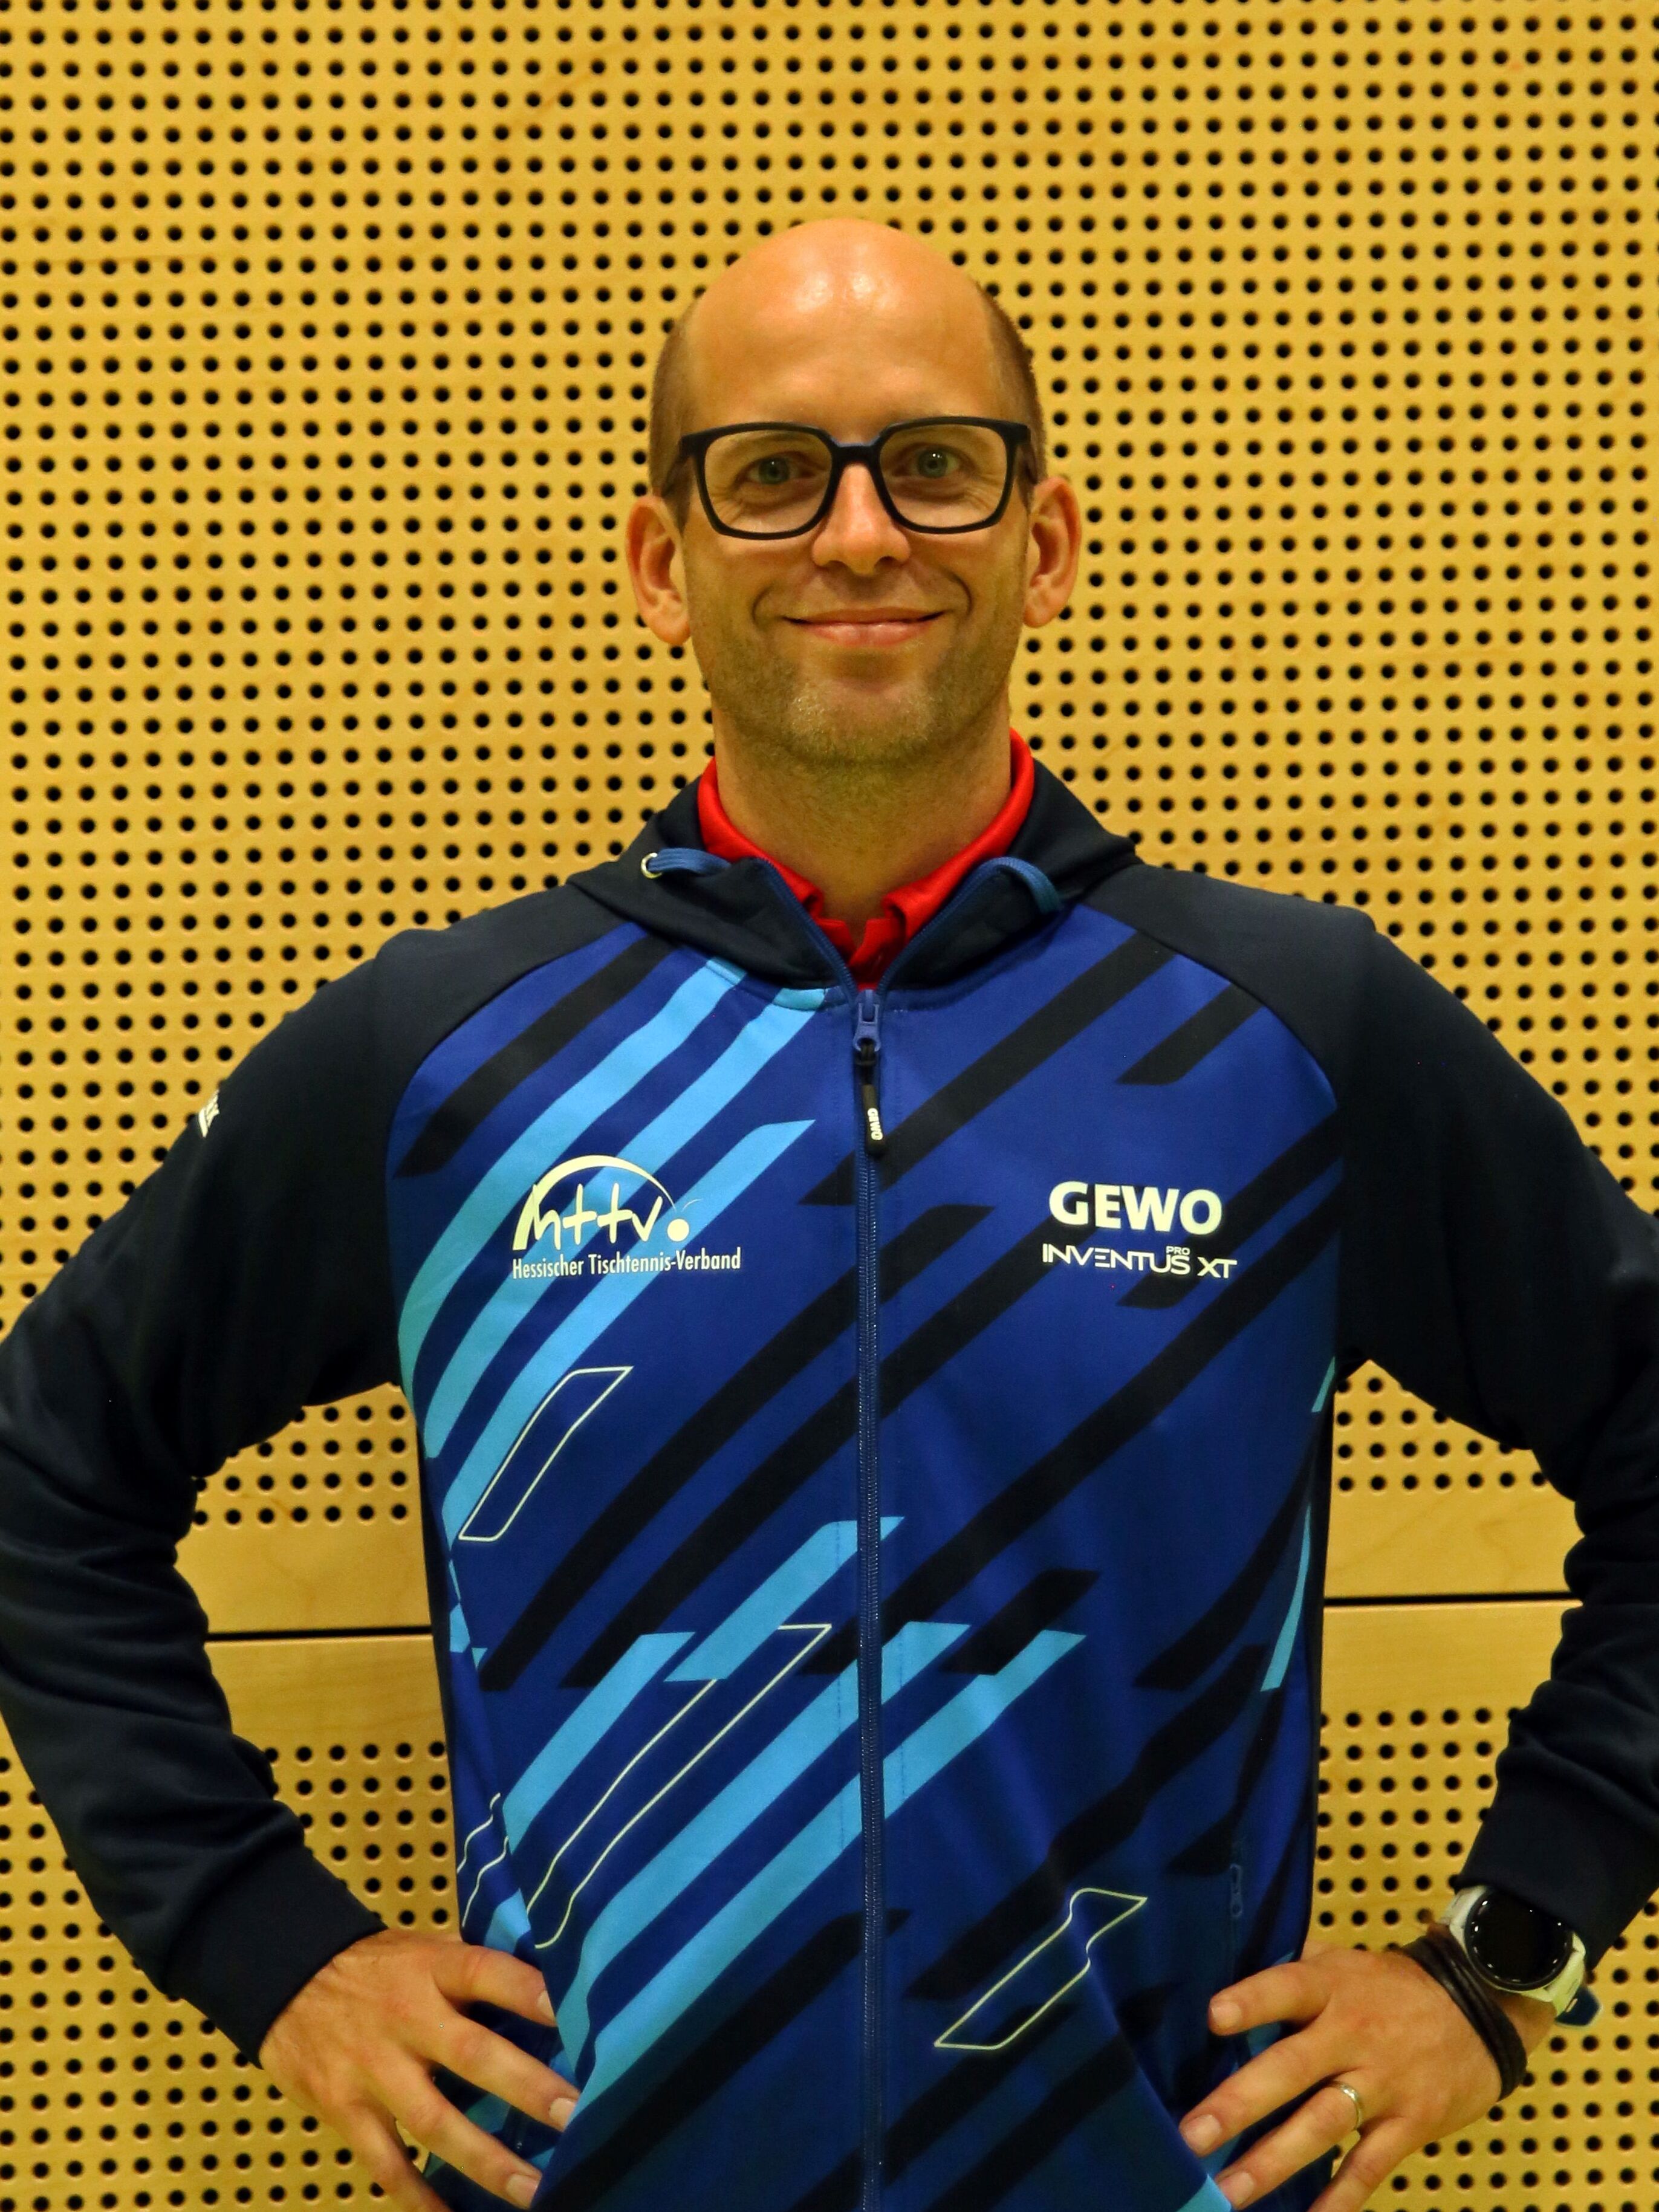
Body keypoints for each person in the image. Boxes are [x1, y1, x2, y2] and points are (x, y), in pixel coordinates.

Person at [0, 218, 1654, 2212]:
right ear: (660, 559)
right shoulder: (449, 1059)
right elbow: (43, 1466)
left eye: (934, 463)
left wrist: (1501, 1958)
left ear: (1044, 539)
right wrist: (265, 1939)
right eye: (775, 471)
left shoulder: (1289, 1036)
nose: (861, 535)